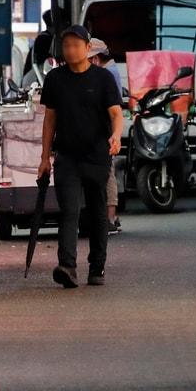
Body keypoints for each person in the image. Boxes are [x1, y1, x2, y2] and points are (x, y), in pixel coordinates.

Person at [38, 26, 124, 288]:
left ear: (88, 48)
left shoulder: (103, 79)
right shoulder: (55, 79)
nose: (71, 50)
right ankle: (67, 266)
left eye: (76, 45)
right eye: (66, 46)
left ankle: (97, 267)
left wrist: (116, 137)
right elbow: (49, 120)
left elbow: (116, 114)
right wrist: (44, 158)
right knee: (69, 210)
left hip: (97, 155)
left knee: (97, 212)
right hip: (66, 156)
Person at [89, 38, 124, 236]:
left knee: (107, 171)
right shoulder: (111, 70)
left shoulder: (106, 73)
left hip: (107, 128)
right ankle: (111, 216)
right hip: (109, 127)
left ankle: (109, 217)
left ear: (95, 59)